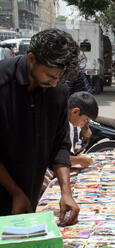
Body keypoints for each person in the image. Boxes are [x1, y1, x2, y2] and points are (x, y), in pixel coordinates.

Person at [0, 28, 80, 226]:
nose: (53, 83)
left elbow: (60, 145)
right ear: (31, 59)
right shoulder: (3, 83)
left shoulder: (58, 91)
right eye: (49, 75)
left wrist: (66, 193)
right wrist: (16, 193)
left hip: (30, 190)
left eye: (58, 77)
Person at [68, 91, 99, 168]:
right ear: (75, 112)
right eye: (85, 120)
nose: (84, 124)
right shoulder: (64, 126)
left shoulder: (72, 126)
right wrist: (79, 159)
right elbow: (59, 159)